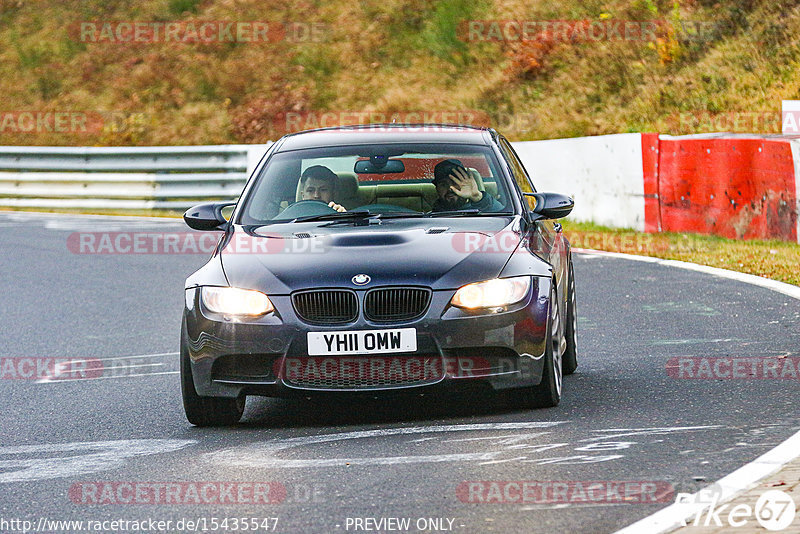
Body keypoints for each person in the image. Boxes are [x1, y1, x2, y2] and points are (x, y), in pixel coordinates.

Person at [431, 159, 504, 212]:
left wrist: (478, 197)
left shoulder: (484, 211)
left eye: (455, 182)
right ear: (436, 188)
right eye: (443, 185)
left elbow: (504, 216)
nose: (451, 188)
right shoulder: (427, 218)